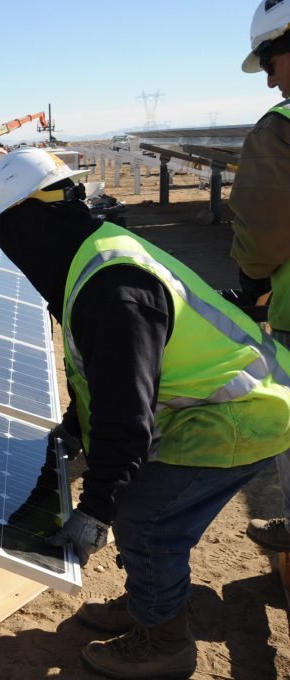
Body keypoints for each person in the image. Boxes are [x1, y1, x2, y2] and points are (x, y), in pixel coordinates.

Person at [0, 147, 290, 679]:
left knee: (145, 520)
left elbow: (126, 414)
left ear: (26, 226)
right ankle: (149, 598)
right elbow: (99, 373)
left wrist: (95, 509)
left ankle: (164, 645)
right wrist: (75, 430)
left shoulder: (112, 287)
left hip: (244, 413)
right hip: (222, 405)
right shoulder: (89, 255)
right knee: (136, 497)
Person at [229, 0, 290, 553]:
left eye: (270, 62)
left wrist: (253, 281)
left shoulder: (280, 130)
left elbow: (262, 228)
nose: (270, 81)